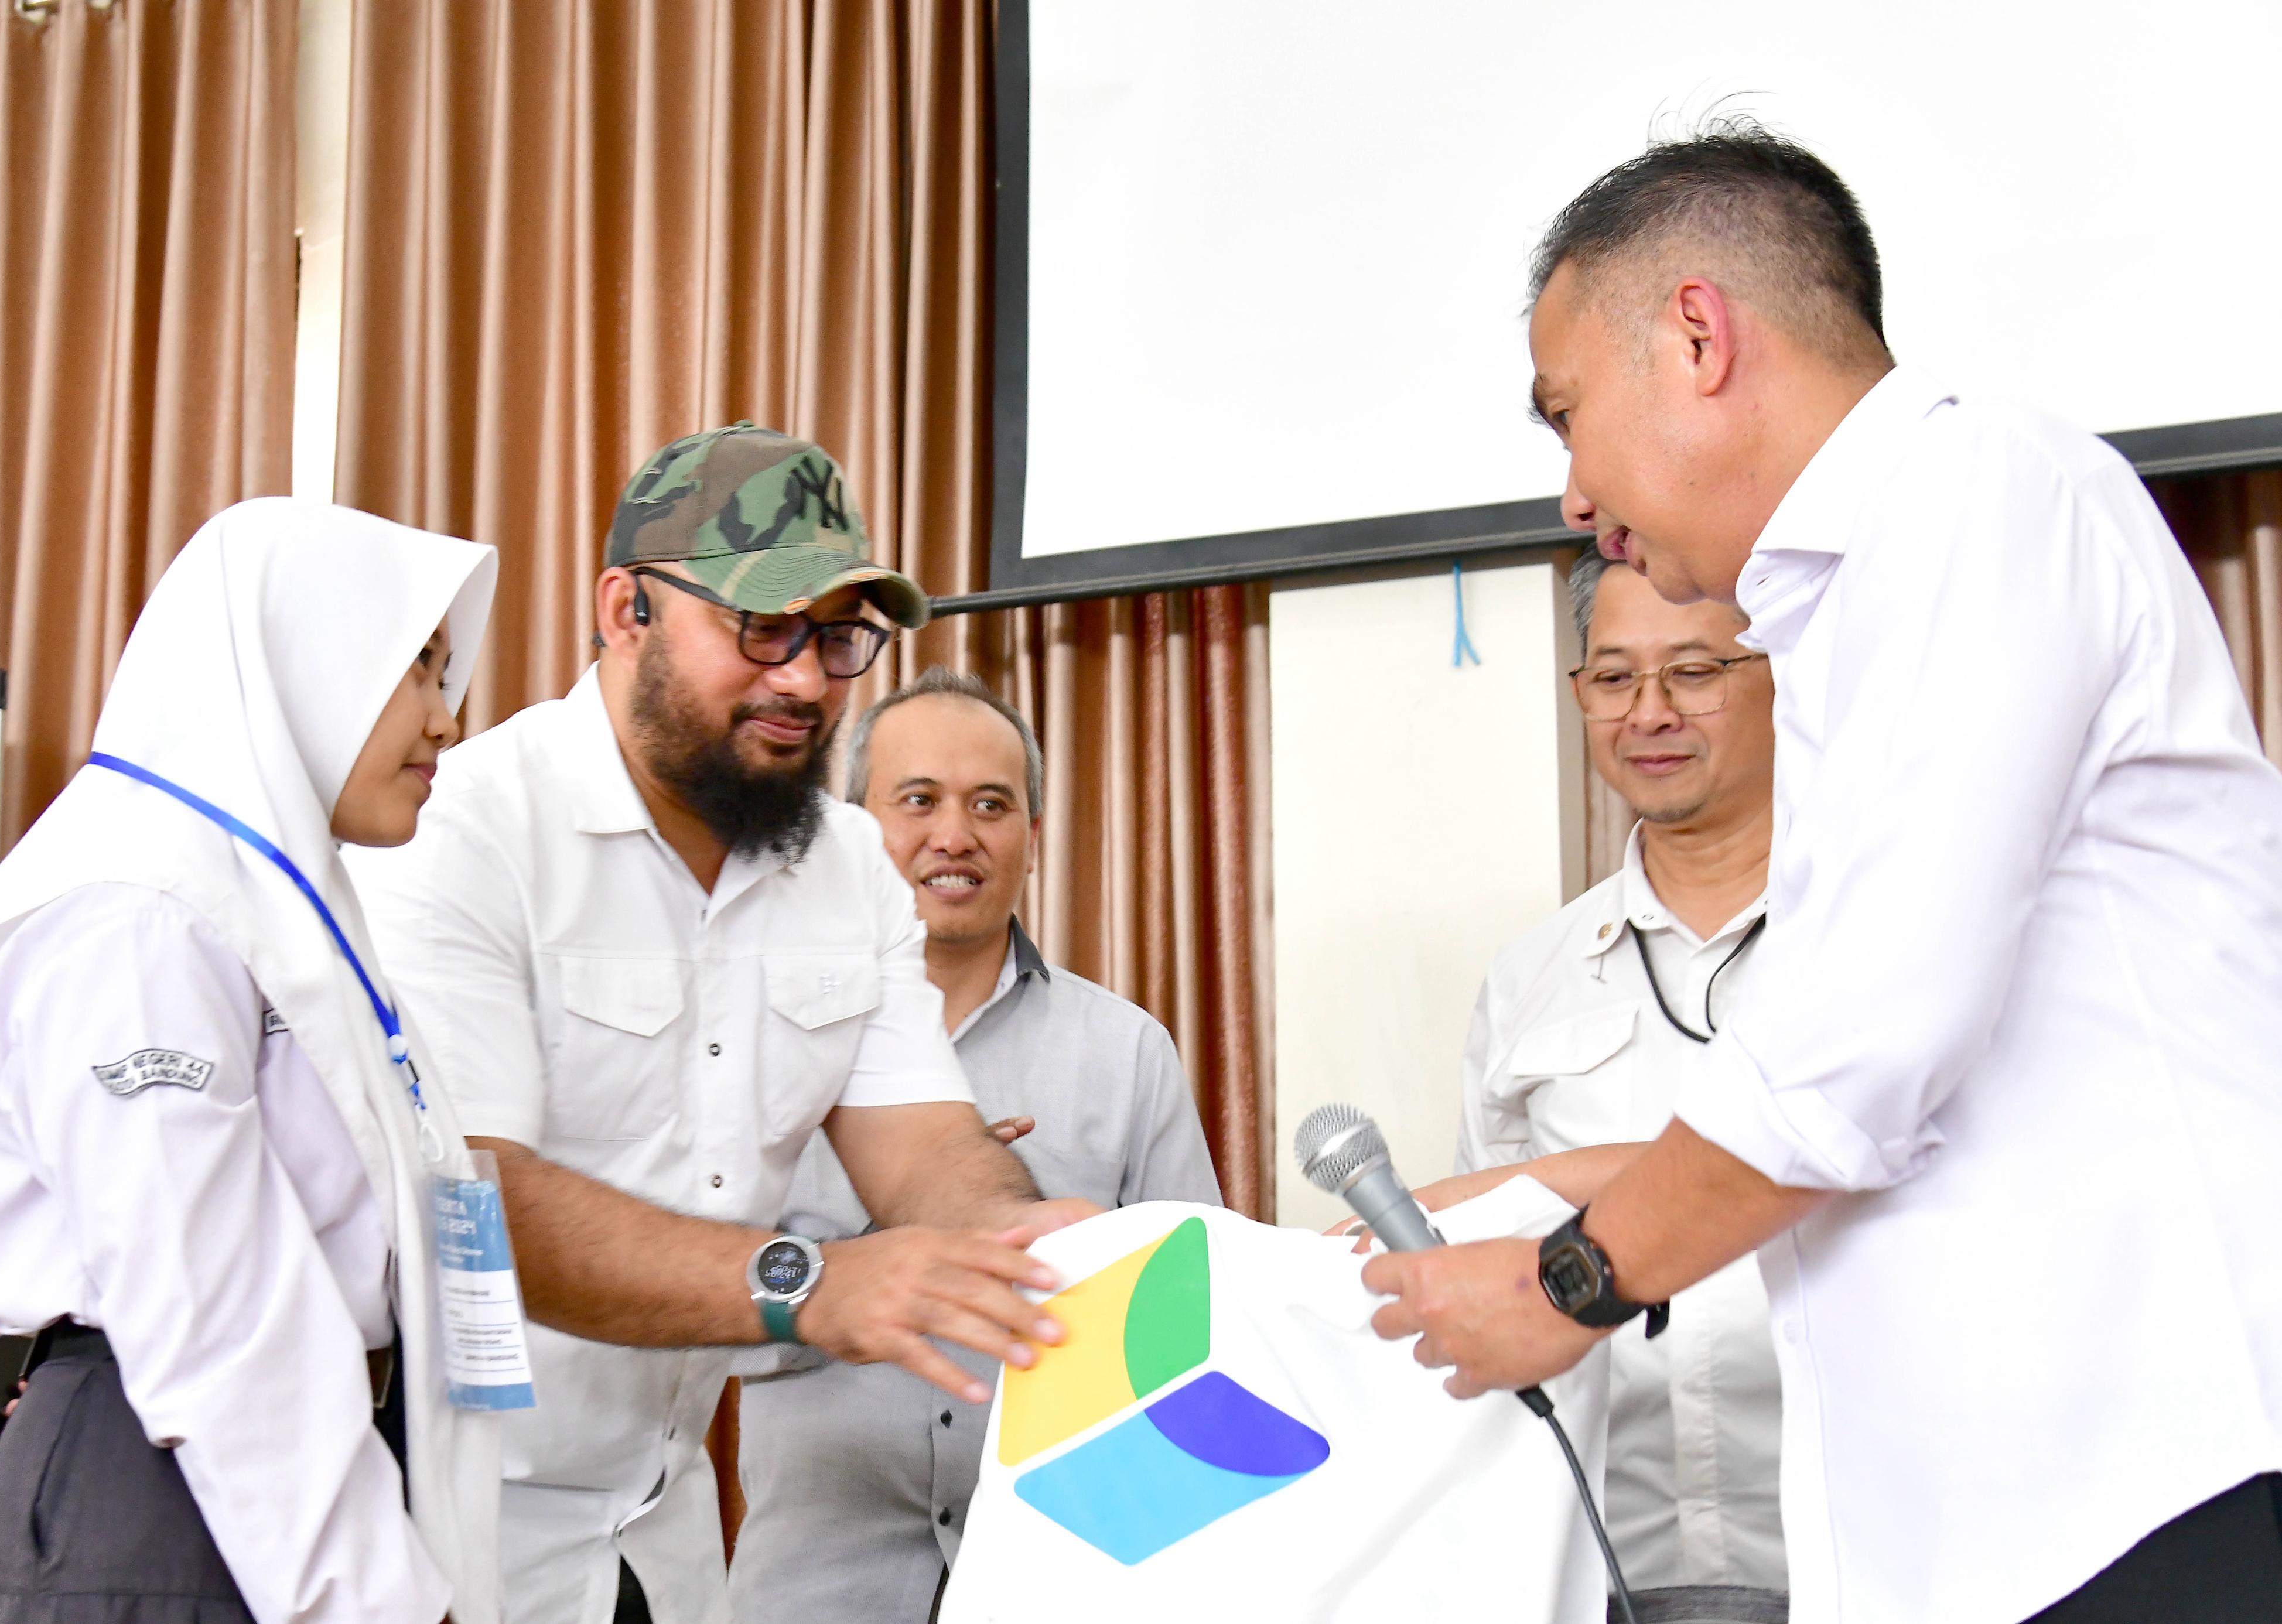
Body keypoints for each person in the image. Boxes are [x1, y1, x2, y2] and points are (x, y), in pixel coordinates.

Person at [1362, 124, 2282, 1624]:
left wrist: (1557, 1288)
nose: (1574, 492)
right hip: (2000, 1535)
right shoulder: (1852, 607)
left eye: (1567, 413)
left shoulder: (1978, 486)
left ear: (1698, 333)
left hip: (2146, 1490)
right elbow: (1857, 1089)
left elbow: (1855, 1051)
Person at [348, 426, 1096, 1624]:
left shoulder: (848, 865)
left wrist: (1031, 1243)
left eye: (840, 635)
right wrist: (812, 1283)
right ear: (624, 610)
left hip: (666, 1534)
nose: (805, 679)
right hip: (443, 1536)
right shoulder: (466, 831)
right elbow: (475, 1202)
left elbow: (921, 1145)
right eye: (761, 626)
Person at [0, 499, 510, 1623]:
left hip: (256, 1479)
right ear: (303, 659)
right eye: (417, 669)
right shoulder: (142, 913)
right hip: (163, 1490)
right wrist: (373, 1597)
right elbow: (215, 1306)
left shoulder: (269, 909)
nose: (447, 719)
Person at [728, 667, 1224, 1624]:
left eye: (991, 804)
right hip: (817, 1579)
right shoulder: (760, 1036)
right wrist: (913, 1195)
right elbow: (695, 1319)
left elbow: (1188, 1336)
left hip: (1066, 1576)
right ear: (849, 827)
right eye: (918, 800)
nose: (954, 835)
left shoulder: (1124, 1049)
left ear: (1033, 837)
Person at [1401, 549, 1785, 1624]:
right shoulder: (1531, 980)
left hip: (1864, 1547)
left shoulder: (1873, 940)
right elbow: (1492, 1266)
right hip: (1605, 1564)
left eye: (1696, 671)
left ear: (1779, 673)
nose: (1650, 712)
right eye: (1613, 678)